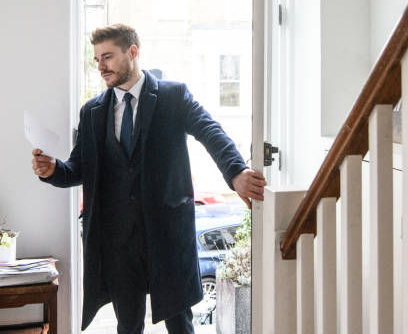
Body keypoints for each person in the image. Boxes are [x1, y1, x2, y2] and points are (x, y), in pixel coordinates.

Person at [31, 24, 266, 333]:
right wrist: (53, 171)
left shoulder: (172, 96)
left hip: (167, 234)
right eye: (97, 59)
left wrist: (235, 171)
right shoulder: (92, 112)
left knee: (179, 323)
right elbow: (78, 168)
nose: (100, 66)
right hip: (117, 241)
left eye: (108, 57)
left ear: (132, 52)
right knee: (127, 325)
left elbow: (210, 130)